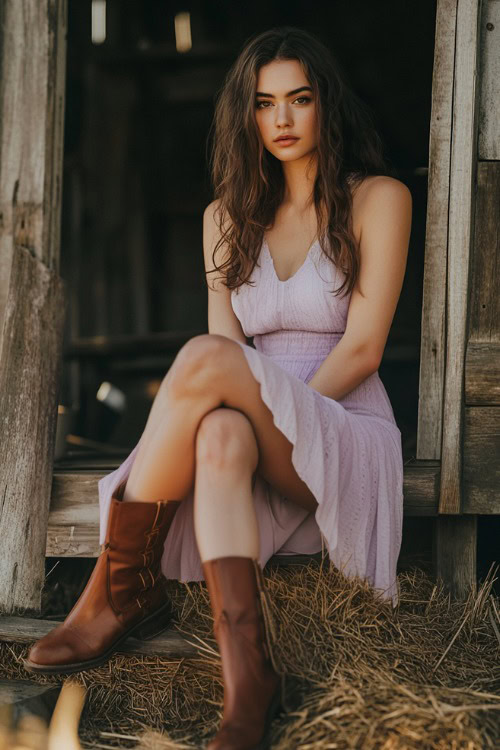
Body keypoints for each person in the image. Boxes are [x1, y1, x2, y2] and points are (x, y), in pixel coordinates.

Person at [24, 26, 412, 750]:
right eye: (266, 104)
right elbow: (227, 355)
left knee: (212, 370)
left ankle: (117, 589)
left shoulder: (378, 198)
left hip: (342, 429)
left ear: (327, 105)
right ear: (249, 117)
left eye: (300, 98)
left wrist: (285, 410)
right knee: (221, 430)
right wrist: (255, 406)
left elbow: (363, 348)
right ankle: (247, 678)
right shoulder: (225, 219)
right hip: (252, 426)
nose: (284, 119)